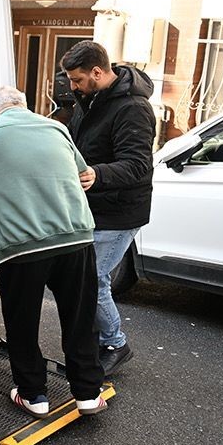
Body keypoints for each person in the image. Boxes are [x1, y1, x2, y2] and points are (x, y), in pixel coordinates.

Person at [0, 86, 106, 417]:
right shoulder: (56, 127)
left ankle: (34, 395)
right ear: (25, 107)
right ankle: (88, 393)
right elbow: (82, 173)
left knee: (23, 322)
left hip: (21, 246)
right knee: (79, 317)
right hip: (75, 238)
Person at [61, 41, 156, 375]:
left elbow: (138, 164)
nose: (72, 87)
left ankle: (116, 343)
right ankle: (93, 347)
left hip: (119, 210)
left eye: (77, 80)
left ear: (97, 73)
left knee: (93, 280)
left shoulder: (133, 108)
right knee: (82, 279)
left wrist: (96, 174)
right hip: (94, 205)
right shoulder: (91, 99)